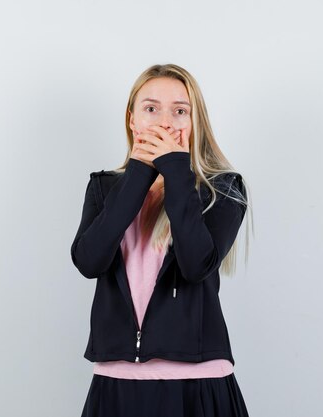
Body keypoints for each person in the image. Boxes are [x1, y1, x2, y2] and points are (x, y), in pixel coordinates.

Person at [71, 63, 254, 417]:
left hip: (198, 384)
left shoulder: (223, 189)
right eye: (151, 108)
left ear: (194, 121)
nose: (165, 122)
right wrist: (140, 173)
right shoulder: (104, 187)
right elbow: (88, 261)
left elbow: (195, 264)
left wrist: (175, 171)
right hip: (116, 381)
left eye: (180, 111)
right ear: (132, 119)